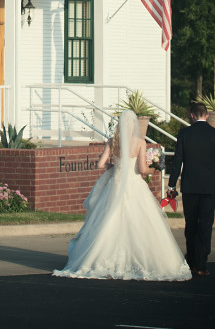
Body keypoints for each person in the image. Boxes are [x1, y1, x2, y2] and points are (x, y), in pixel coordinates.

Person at [53, 109, 191, 281]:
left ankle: (102, 259)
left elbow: (100, 164)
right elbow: (141, 170)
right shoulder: (140, 142)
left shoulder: (112, 141)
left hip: (115, 185)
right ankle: (139, 259)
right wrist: (154, 168)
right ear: (133, 124)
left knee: (109, 222)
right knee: (140, 223)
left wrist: (113, 167)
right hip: (134, 185)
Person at [167, 101, 215, 277]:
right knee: (206, 225)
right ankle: (201, 264)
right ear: (207, 115)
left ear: (192, 115)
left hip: (190, 186)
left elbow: (177, 161)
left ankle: (192, 261)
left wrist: (171, 185)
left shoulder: (185, 133)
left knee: (191, 225)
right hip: (209, 186)